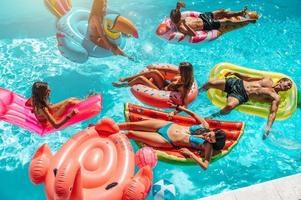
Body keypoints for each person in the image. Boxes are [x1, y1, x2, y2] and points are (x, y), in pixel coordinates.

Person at [119, 104, 226, 169]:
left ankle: (112, 138)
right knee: (130, 125)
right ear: (213, 131)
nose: (207, 137)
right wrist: (179, 108)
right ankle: (104, 126)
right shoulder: (205, 125)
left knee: (131, 133)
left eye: (210, 140)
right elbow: (193, 114)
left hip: (166, 140)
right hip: (167, 125)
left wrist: (191, 155)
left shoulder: (207, 146)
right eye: (210, 135)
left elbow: (205, 166)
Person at [200, 72, 293, 139]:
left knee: (229, 106)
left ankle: (213, 115)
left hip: (241, 95)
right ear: (281, 81)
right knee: (210, 83)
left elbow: (273, 113)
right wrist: (236, 74)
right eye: (288, 84)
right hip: (237, 83)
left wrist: (268, 128)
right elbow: (248, 78)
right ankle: (199, 92)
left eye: (289, 87)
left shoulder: (276, 97)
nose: (288, 87)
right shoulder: (267, 79)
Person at [112, 62, 195, 113]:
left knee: (141, 79)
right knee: (154, 72)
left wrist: (174, 112)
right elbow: (169, 71)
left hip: (161, 92)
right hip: (165, 85)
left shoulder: (184, 87)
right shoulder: (180, 75)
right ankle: (126, 79)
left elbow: (185, 105)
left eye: (180, 69)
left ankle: (124, 85)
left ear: (184, 72)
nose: (178, 69)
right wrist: (154, 67)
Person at [166, 1, 258, 37]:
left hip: (203, 17)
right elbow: (194, 35)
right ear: (177, 19)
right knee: (226, 21)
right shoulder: (181, 27)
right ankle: (249, 20)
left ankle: (240, 12)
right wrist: (185, 24)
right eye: (180, 16)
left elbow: (177, 10)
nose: (181, 15)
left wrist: (178, 6)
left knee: (221, 11)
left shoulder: (177, 16)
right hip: (206, 25)